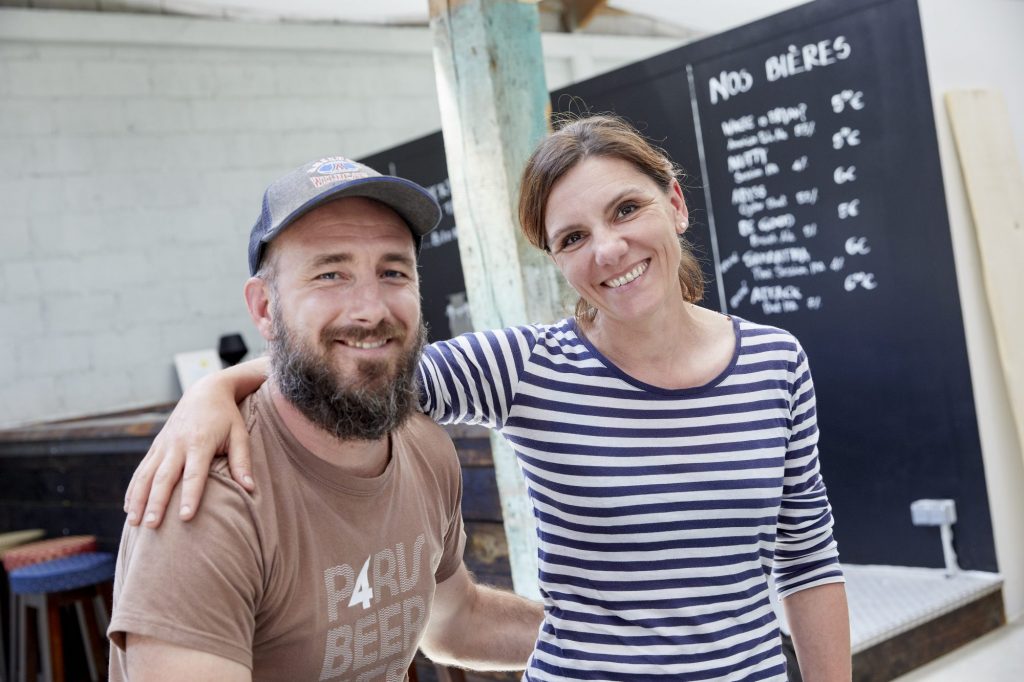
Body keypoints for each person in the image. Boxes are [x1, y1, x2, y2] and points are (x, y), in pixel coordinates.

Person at [126, 116, 852, 681]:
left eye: (627, 209)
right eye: (572, 236)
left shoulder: (774, 362)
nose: (608, 250)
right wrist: (219, 388)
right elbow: (357, 370)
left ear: (676, 205)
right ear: (557, 259)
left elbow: (808, 560)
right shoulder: (525, 367)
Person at [108, 156, 543, 681]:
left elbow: (456, 622)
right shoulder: (207, 506)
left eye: (392, 271)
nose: (370, 309)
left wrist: (621, 644)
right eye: (330, 273)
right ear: (265, 309)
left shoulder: (423, 447)